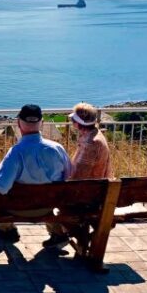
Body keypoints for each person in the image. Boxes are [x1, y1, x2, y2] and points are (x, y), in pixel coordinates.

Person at [0, 104, 72, 243]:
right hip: (48, 205)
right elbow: (69, 176)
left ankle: (6, 229)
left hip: (18, 208)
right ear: (42, 123)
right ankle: (57, 232)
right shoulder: (57, 149)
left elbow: (2, 186)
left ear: (18, 124)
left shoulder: (16, 152)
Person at [43, 102, 113, 249]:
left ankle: (62, 235)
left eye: (73, 120)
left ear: (78, 123)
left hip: (89, 196)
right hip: (97, 190)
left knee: (47, 198)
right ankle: (66, 234)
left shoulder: (91, 144)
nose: (71, 122)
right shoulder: (93, 135)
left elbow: (79, 176)